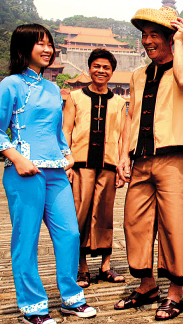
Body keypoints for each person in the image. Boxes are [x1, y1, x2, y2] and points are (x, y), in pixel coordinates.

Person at [0, 24, 97, 324]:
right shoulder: (10, 85)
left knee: (70, 234)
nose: (48, 49)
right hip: (25, 172)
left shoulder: (51, 88)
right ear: (23, 48)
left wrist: (67, 155)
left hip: (56, 173)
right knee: (26, 238)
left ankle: (71, 298)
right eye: (40, 44)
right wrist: (17, 158)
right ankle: (32, 306)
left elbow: (56, 131)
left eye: (50, 44)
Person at [114, 7, 183, 321]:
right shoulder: (138, 76)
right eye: (145, 36)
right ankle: (147, 285)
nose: (148, 41)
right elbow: (131, 117)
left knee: (176, 223)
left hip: (173, 159)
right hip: (141, 159)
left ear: (169, 38)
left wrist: (180, 42)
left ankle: (176, 293)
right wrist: (123, 155)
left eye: (154, 35)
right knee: (134, 222)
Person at [62, 48, 127, 288]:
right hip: (80, 165)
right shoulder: (75, 97)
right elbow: (66, 130)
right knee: (80, 214)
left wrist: (122, 164)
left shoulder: (120, 103)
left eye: (106, 67)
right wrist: (66, 161)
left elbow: (122, 137)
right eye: (96, 66)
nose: (101, 71)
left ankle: (105, 266)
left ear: (112, 72)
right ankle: (81, 268)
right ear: (89, 68)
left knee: (105, 215)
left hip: (108, 165)